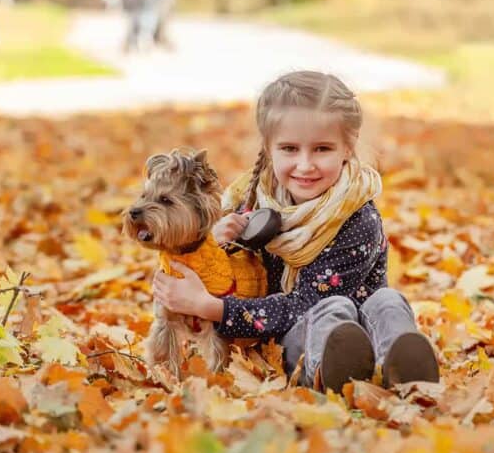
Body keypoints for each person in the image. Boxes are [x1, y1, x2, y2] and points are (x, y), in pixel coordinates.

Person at [151, 70, 440, 392]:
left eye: (321, 149)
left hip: (318, 315)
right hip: (282, 336)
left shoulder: (356, 219)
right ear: (268, 147)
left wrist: (211, 308)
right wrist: (215, 242)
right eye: (289, 149)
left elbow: (305, 304)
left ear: (348, 148)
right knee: (335, 312)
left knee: (382, 301)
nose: (305, 165)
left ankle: (404, 369)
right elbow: (224, 273)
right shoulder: (252, 200)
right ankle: (332, 369)